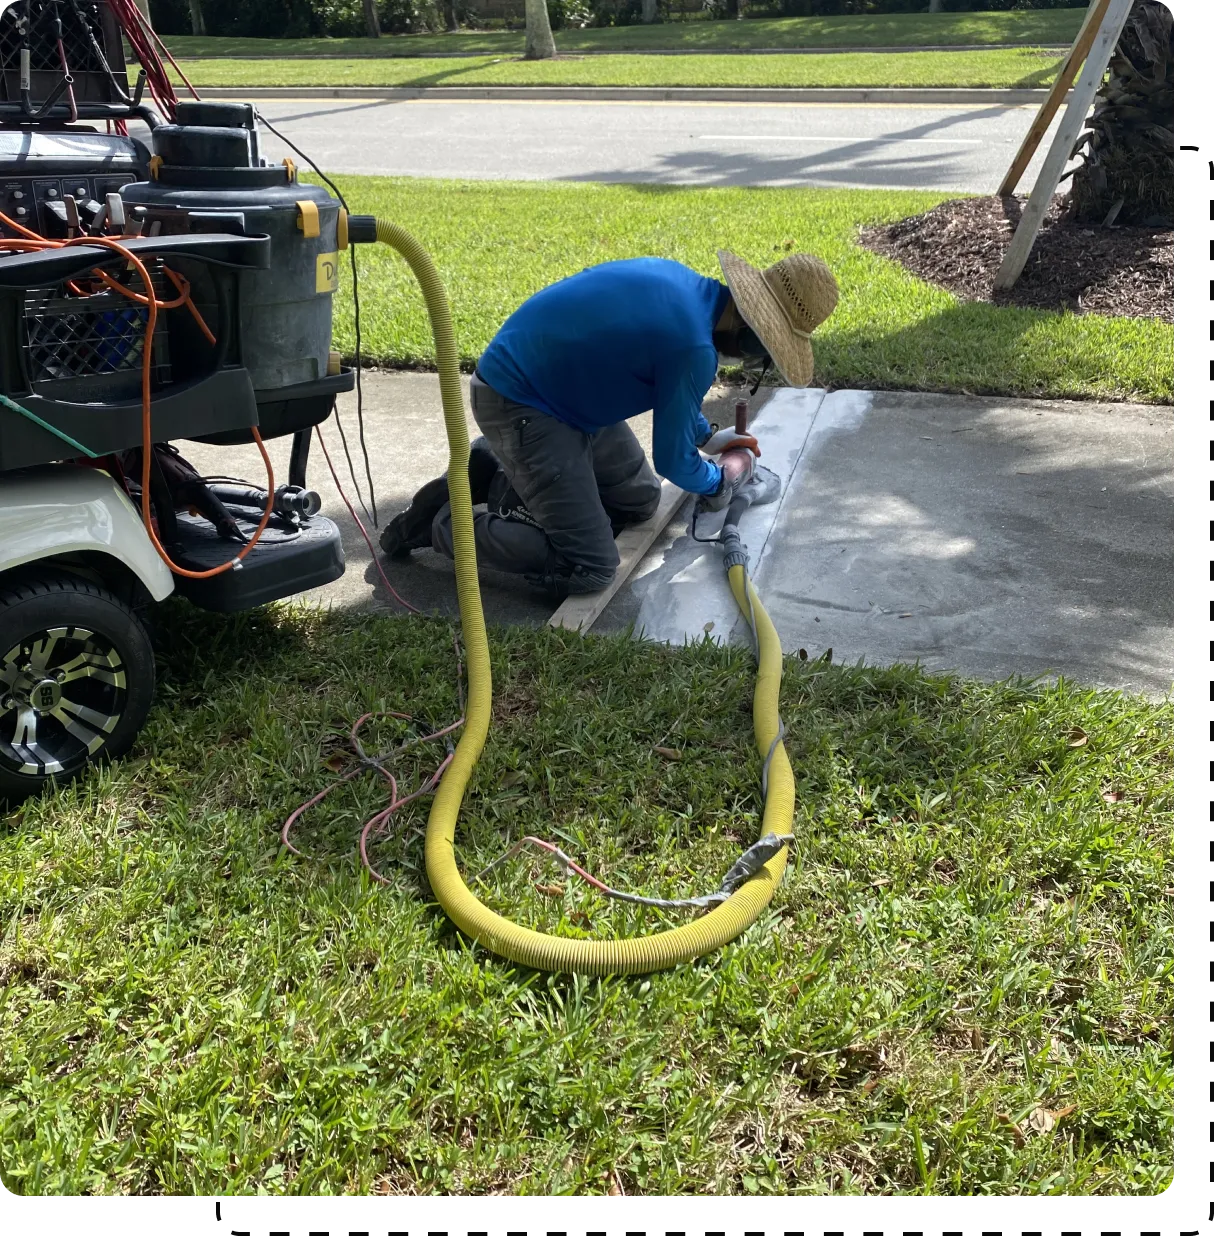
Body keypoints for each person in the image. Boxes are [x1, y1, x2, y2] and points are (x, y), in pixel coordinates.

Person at [380, 249, 838, 600]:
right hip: (519, 400)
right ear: (751, 331)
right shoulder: (694, 349)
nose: (756, 359)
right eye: (764, 351)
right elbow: (673, 462)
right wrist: (719, 481)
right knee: (591, 567)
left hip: (560, 393)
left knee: (639, 501)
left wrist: (708, 436)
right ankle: (441, 523)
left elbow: (669, 394)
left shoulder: (686, 288)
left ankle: (497, 466)